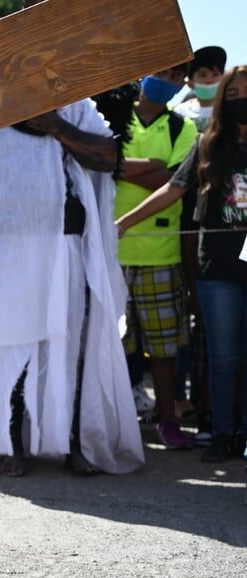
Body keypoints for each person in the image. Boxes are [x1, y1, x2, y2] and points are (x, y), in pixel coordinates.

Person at [0, 93, 143, 476]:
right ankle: (8, 442)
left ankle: (74, 442)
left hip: (68, 244)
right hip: (2, 249)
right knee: (12, 343)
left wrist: (56, 126)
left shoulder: (73, 104)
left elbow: (107, 157)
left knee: (72, 345)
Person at [118, 66, 247, 462]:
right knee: (224, 357)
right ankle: (223, 432)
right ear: (224, 99)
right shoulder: (209, 144)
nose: (242, 98)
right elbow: (172, 189)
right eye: (235, 92)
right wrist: (122, 223)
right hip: (218, 271)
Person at [114, 66, 199, 449]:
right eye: (162, 69)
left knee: (163, 350)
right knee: (107, 346)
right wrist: (150, 169)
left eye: (177, 74)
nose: (168, 77)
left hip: (160, 256)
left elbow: (170, 182)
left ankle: (168, 421)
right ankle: (111, 422)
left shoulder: (186, 129)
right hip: (107, 253)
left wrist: (119, 166)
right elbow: (99, 164)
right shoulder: (111, 115)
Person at [176, 47, 227, 134]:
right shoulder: (179, 112)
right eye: (203, 75)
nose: (210, 80)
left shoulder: (230, 110)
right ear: (190, 84)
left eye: (215, 74)